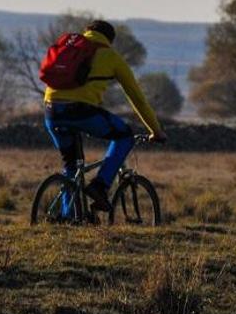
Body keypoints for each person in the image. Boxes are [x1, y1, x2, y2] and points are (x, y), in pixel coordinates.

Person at [43, 20, 167, 214]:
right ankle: (100, 186)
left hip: (51, 111)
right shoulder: (111, 57)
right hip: (80, 111)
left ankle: (69, 217)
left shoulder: (71, 50)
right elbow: (138, 99)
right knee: (124, 135)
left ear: (87, 31)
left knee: (71, 166)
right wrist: (155, 130)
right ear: (110, 39)